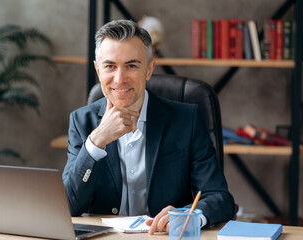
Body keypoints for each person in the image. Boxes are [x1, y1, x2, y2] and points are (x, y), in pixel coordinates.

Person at [62, 19, 235, 234]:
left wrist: (191, 216)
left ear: (149, 70)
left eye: (131, 65)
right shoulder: (82, 122)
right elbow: (69, 205)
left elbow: (220, 198)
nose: (119, 78)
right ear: (98, 70)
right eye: (110, 66)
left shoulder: (186, 120)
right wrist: (96, 141)